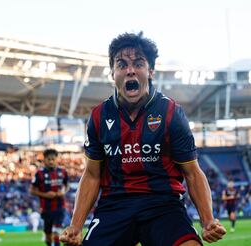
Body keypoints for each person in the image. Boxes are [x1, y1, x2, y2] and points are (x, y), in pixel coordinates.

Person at [60, 32, 226, 246]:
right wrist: (75, 226)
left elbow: (192, 173)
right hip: (115, 206)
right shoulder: (98, 116)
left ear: (150, 71)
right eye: (121, 64)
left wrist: (208, 221)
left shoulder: (171, 112)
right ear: (112, 72)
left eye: (138, 63)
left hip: (163, 204)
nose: (130, 70)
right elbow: (92, 175)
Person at [30, 148, 69, 246]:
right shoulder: (39, 174)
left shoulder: (63, 171)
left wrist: (63, 191)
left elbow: (67, 185)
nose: (51, 161)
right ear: (44, 160)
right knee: (48, 235)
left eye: (53, 159)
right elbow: (32, 190)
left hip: (60, 206)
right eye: (49, 159)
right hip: (46, 208)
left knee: (56, 230)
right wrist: (45, 195)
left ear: (57, 159)